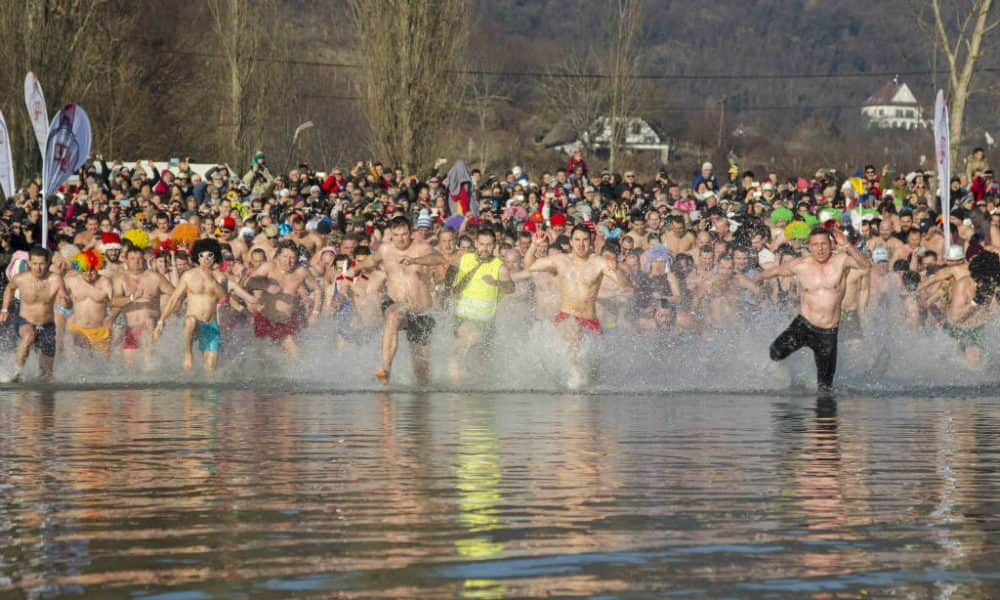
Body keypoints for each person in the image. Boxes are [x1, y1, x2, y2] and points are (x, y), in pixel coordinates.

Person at [758, 227, 871, 392]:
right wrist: (758, 277)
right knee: (775, 352)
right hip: (803, 326)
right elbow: (776, 270)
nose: (820, 248)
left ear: (831, 244)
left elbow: (865, 265)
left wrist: (847, 245)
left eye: (824, 244)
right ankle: (790, 376)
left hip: (827, 333)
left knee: (825, 388)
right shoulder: (801, 265)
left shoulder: (841, 261)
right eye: (816, 245)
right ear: (809, 247)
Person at [524, 225, 630, 388]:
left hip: (591, 321)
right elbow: (530, 266)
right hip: (567, 318)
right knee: (574, 339)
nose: (581, 244)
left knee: (593, 376)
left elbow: (624, 285)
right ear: (571, 242)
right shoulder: (561, 260)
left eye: (585, 240)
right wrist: (534, 246)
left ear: (591, 241)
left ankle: (581, 398)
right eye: (577, 240)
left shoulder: (599, 262)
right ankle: (572, 385)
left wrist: (616, 271)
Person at [356, 216, 442, 385]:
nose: (401, 239)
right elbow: (371, 260)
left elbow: (439, 259)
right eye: (396, 235)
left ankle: (421, 399)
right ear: (391, 235)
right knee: (393, 315)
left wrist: (416, 261)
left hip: (421, 311)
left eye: (404, 234)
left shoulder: (421, 247)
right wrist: (354, 269)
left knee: (421, 372)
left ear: (410, 233)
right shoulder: (385, 249)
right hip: (397, 303)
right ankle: (386, 369)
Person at [156, 239, 257, 372]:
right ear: (197, 257)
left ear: (215, 257)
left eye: (209, 255)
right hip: (193, 322)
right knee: (190, 320)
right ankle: (188, 354)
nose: (206, 259)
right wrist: (161, 321)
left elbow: (224, 298)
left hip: (210, 323)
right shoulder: (188, 276)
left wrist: (214, 282)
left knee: (210, 370)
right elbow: (174, 298)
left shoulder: (221, 278)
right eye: (202, 255)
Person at [447, 228, 514, 382]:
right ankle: (454, 388)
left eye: (489, 245)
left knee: (482, 367)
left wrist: (496, 282)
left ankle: (477, 392)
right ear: (476, 243)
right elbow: (449, 273)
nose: (485, 248)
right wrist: (448, 291)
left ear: (494, 245)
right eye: (482, 244)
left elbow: (511, 288)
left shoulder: (499, 266)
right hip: (463, 317)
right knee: (467, 339)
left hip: (487, 321)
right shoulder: (464, 259)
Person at [0, 247, 68, 381]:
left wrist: (66, 301)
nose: (38, 268)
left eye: (42, 264)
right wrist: (4, 309)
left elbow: (63, 296)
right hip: (25, 320)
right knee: (29, 335)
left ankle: (42, 393)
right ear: (29, 263)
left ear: (48, 263)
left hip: (47, 325)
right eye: (35, 264)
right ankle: (17, 372)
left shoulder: (56, 279)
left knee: (47, 374)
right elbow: (9, 288)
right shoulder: (21, 278)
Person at [248, 240, 321, 357]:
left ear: (297, 258)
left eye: (292, 257)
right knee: (263, 357)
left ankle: (297, 375)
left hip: (287, 320)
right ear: (278, 256)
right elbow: (249, 282)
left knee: (295, 353)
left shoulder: (301, 271)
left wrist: (315, 313)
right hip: (265, 318)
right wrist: (266, 286)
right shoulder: (269, 267)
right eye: (285, 257)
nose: (288, 261)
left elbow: (317, 289)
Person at [112, 246, 175, 370]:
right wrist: (131, 298)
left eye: (140, 258)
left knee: (149, 368)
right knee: (130, 371)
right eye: (133, 258)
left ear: (144, 260)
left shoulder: (155, 277)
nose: (137, 261)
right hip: (131, 329)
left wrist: (164, 317)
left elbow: (175, 295)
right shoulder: (120, 279)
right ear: (126, 260)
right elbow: (115, 302)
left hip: (150, 327)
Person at [64, 250, 114, 357]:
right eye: (84, 270)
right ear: (79, 270)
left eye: (92, 270)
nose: (88, 274)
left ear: (97, 268)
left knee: (102, 366)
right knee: (73, 349)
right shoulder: (71, 281)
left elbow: (114, 302)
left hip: (100, 331)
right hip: (77, 329)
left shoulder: (104, 282)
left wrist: (112, 318)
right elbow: (55, 296)